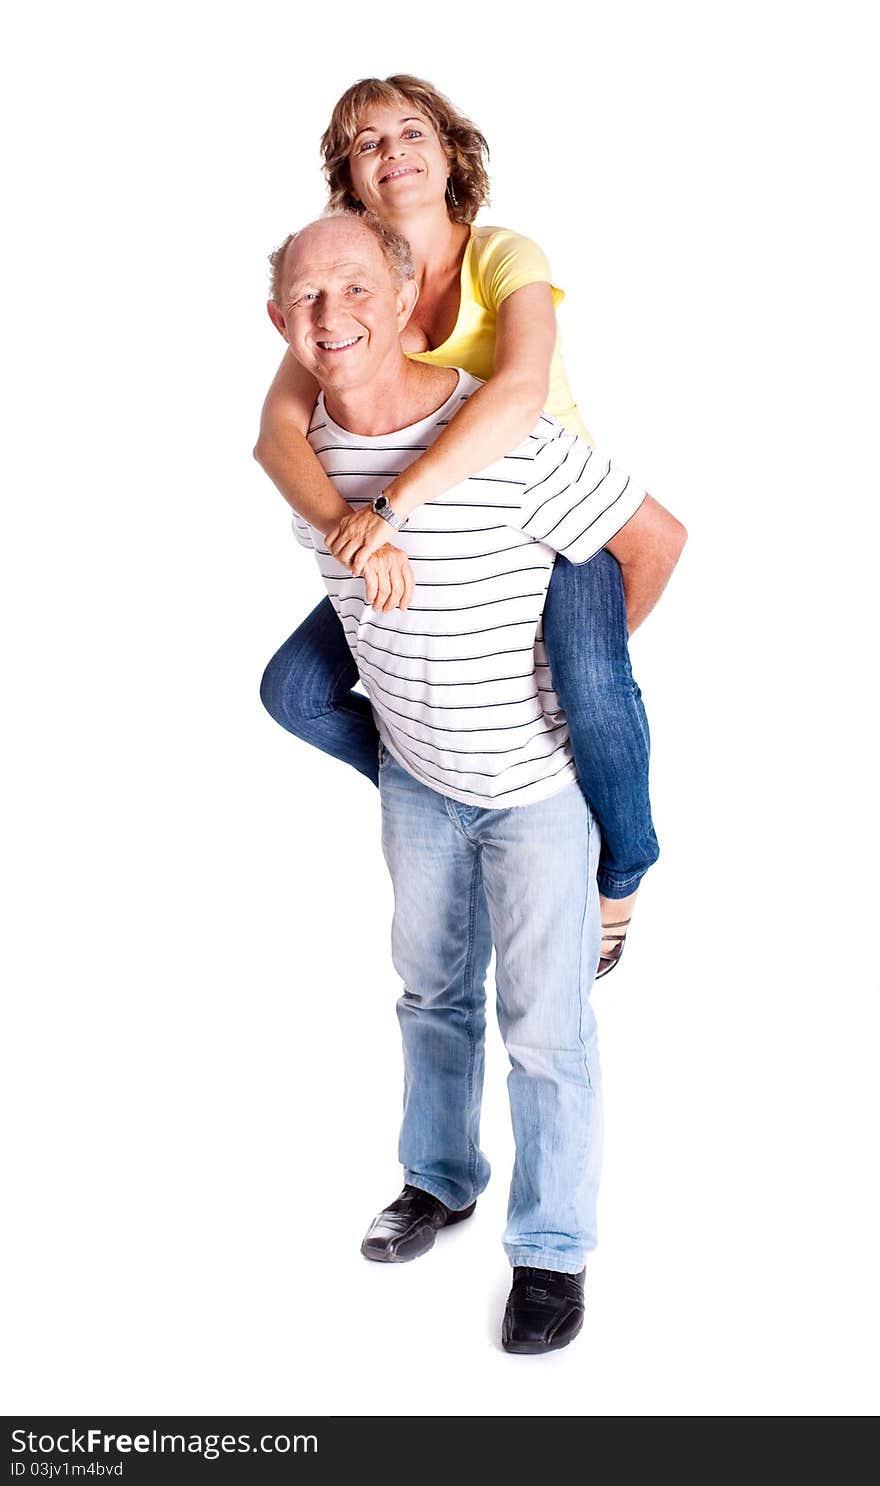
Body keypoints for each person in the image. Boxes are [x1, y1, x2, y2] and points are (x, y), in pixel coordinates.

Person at [263, 210, 687, 1353]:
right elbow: (276, 447)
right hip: (415, 788)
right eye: (304, 298)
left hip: (536, 794)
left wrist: (577, 679)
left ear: (408, 303)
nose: (330, 314)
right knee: (428, 999)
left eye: (355, 287)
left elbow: (655, 541)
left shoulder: (508, 439)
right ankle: (438, 1180)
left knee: (546, 1034)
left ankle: (550, 1254)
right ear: (277, 324)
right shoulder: (311, 462)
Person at [257, 75, 663, 978]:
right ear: (349, 177)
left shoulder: (504, 256)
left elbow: (519, 394)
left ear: (449, 156)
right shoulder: (349, 287)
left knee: (592, 688)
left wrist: (391, 508)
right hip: (416, 548)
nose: (392, 149)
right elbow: (276, 435)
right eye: (366, 142)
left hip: (548, 530)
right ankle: (436, 791)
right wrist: (348, 528)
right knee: (294, 690)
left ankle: (624, 868)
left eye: (412, 132)